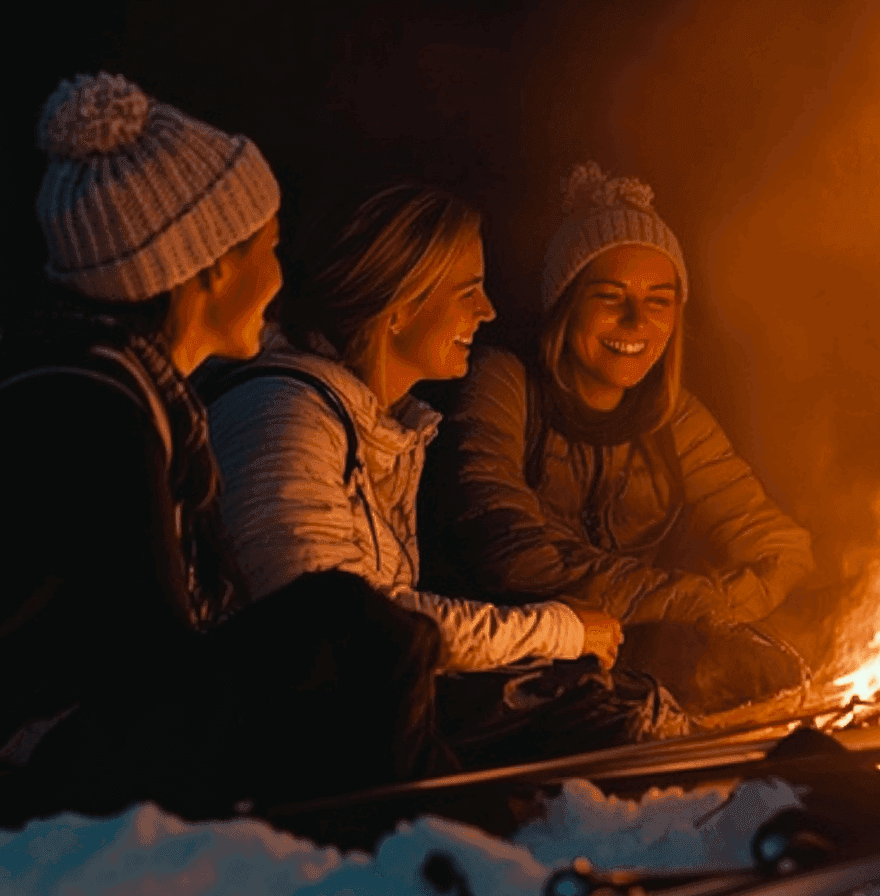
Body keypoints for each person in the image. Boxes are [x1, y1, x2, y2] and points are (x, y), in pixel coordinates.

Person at [202, 184, 671, 765]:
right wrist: (557, 630)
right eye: (468, 290)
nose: (489, 311)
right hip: (261, 766)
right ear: (397, 307)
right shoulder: (282, 420)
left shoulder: (367, 423)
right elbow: (345, 633)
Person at [0, 72, 287, 818]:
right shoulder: (86, 409)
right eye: (272, 245)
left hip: (34, 758)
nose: (280, 276)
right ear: (215, 261)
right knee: (348, 632)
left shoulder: (90, 378)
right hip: (16, 787)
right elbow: (152, 666)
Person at [425, 163, 820, 713]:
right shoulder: (503, 384)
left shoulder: (672, 418)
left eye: (658, 301)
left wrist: (729, 603)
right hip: (501, 673)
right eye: (610, 297)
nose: (637, 321)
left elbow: (782, 547)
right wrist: (687, 600)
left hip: (626, 671)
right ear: (564, 303)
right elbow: (510, 553)